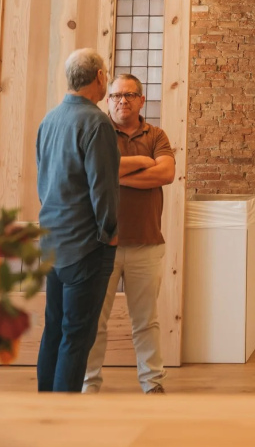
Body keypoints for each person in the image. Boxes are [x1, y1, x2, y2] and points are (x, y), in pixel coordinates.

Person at [83, 74, 176, 394]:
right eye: (116, 96)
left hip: (147, 243)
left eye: (130, 95)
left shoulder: (157, 134)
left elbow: (165, 173)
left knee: (146, 322)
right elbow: (88, 171)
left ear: (142, 100)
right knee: (94, 321)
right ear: (107, 100)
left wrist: (112, 176)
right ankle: (88, 384)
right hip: (100, 244)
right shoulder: (97, 131)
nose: (123, 100)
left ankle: (152, 383)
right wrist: (140, 165)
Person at [35, 48, 121, 392]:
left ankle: (44, 408)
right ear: (100, 77)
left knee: (54, 329)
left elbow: (44, 182)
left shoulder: (50, 119)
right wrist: (110, 233)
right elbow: (103, 188)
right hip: (87, 245)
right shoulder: (97, 121)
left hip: (52, 241)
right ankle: (61, 421)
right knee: (76, 336)